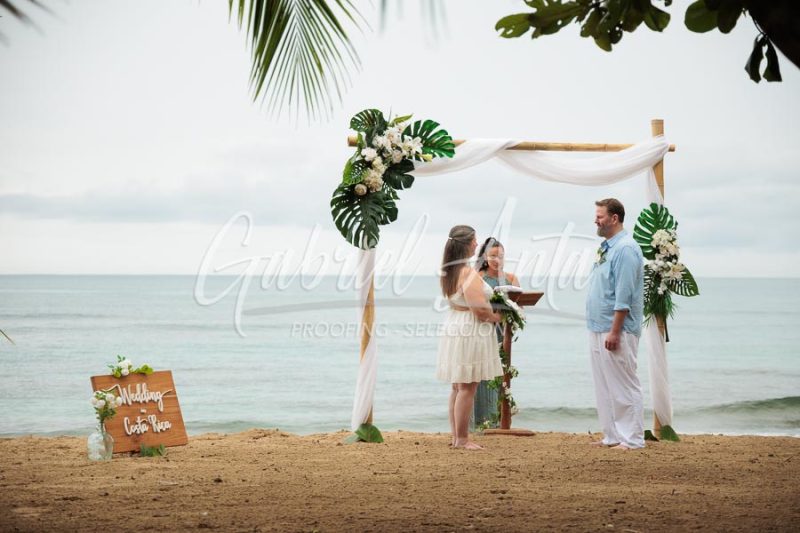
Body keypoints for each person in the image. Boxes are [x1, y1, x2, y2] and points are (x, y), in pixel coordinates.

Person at [437, 225, 503, 450]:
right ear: (466, 244)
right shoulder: (466, 272)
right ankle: (463, 439)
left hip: (456, 324)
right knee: (467, 386)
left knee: (458, 386)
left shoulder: (449, 270)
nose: (477, 244)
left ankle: (457, 437)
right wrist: (498, 316)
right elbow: (480, 311)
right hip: (470, 329)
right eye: (474, 241)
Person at [586, 198, 645, 450]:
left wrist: (615, 330)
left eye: (600, 216)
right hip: (597, 326)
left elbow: (624, 295)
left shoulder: (626, 249)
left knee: (624, 385)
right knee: (605, 386)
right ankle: (612, 435)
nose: (595, 220)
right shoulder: (608, 247)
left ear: (614, 218)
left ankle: (632, 439)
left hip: (616, 329)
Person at [472, 237, 519, 429]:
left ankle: (499, 422)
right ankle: (481, 423)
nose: (496, 260)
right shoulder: (477, 276)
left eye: (500, 256)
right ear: (484, 256)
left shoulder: (511, 278)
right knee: (482, 376)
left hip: (503, 332)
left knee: (501, 374)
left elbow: (518, 303)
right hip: (482, 330)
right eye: (492, 256)